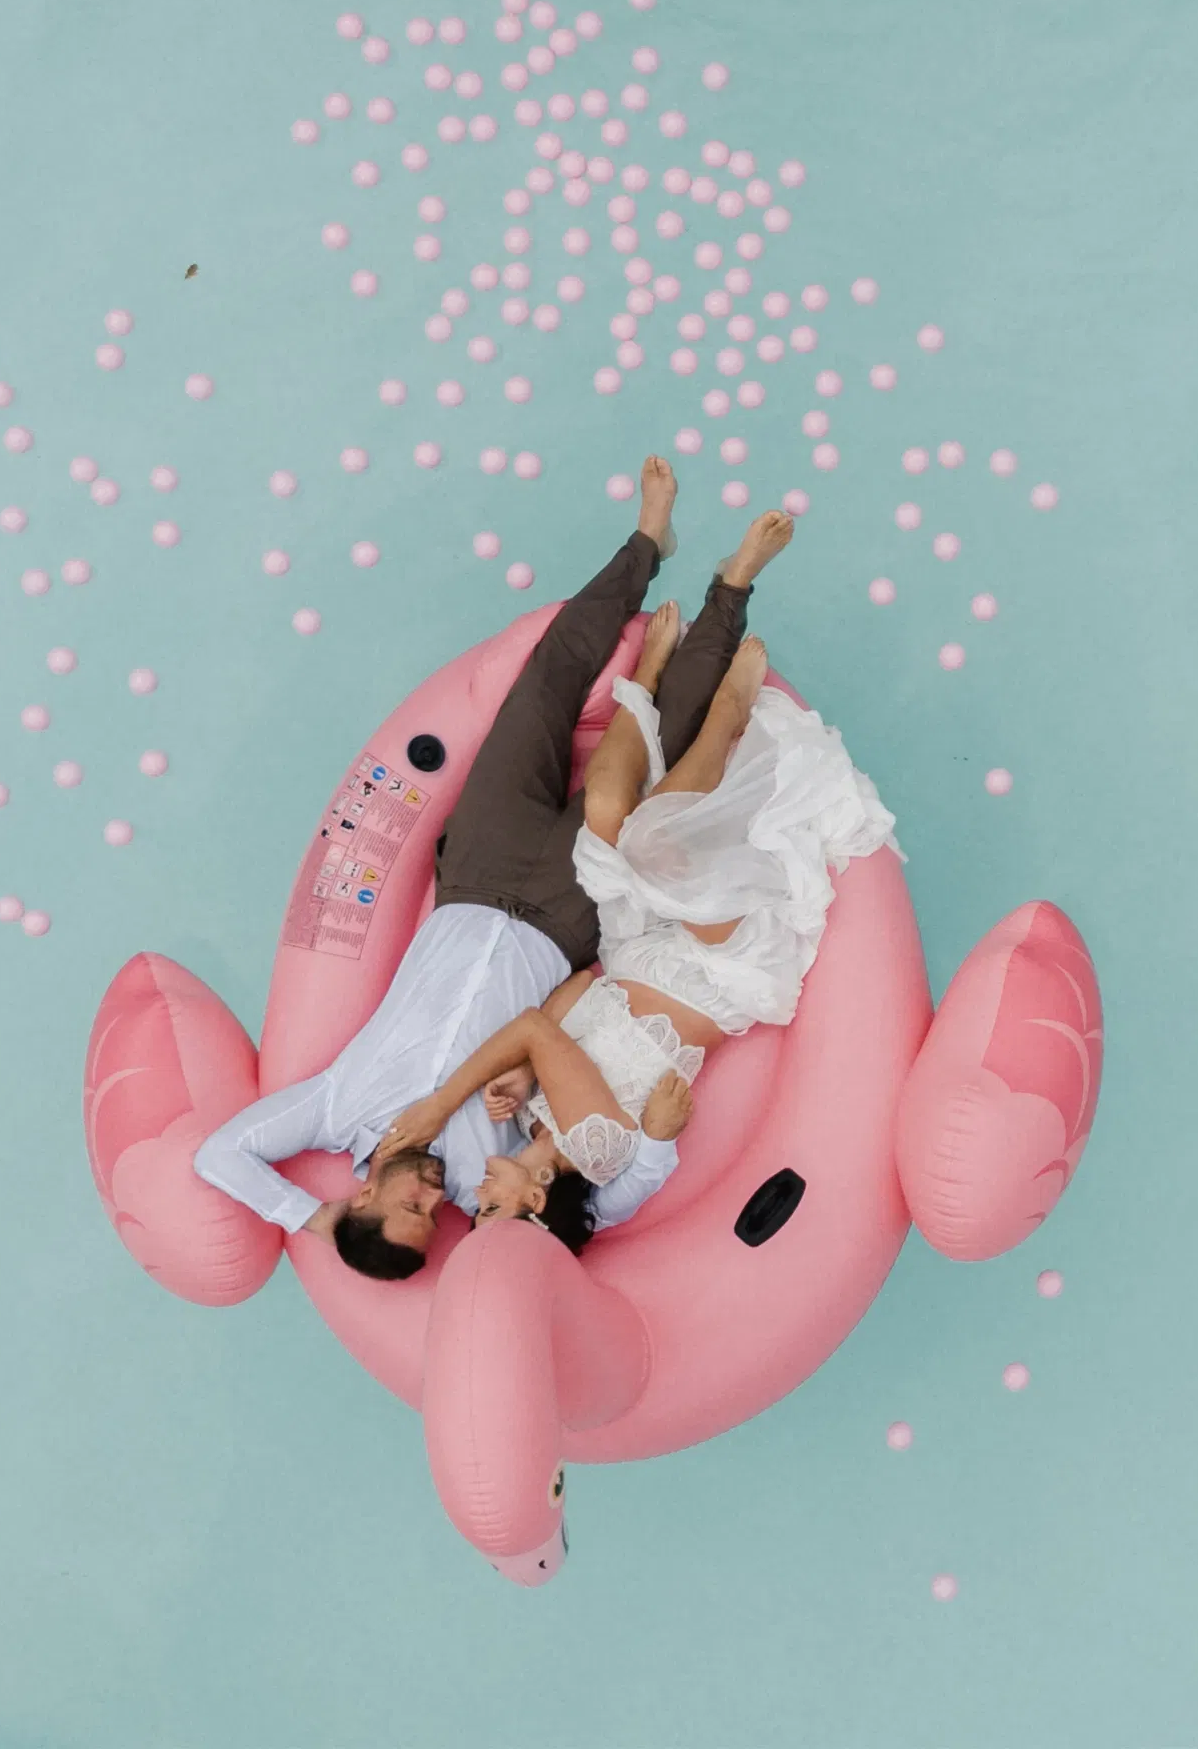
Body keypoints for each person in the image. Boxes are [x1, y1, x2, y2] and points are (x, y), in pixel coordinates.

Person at [190, 460, 795, 1279]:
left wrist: (308, 1217)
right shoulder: (487, 1182)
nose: (431, 1199)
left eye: (408, 1207)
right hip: (562, 915)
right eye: (431, 1220)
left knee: (540, 689)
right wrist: (645, 1140)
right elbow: (604, 1199)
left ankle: (648, 543)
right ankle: (732, 593)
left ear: (365, 1199)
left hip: (474, 875)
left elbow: (220, 1156)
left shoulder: (333, 1110)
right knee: (660, 766)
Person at [373, 533, 897, 1251]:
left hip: (638, 947)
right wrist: (446, 1102)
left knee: (608, 818)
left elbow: (562, 1001)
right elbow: (535, 1025)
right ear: (533, 1202)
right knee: (649, 841)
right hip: (712, 972)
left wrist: (526, 1075)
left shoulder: (533, 1118)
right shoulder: (598, 1150)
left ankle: (646, 676)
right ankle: (727, 711)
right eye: (490, 1210)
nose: (475, 1198)